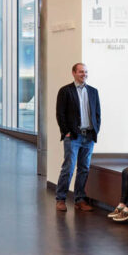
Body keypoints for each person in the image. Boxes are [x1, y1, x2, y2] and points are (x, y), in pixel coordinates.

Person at [55, 62, 101, 212]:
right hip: (73, 136)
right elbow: (60, 114)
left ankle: (79, 199)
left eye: (86, 72)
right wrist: (66, 132)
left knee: (84, 169)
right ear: (73, 73)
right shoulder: (65, 91)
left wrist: (95, 131)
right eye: (81, 72)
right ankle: (61, 199)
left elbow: (97, 114)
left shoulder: (93, 91)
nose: (84, 74)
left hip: (88, 136)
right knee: (68, 168)